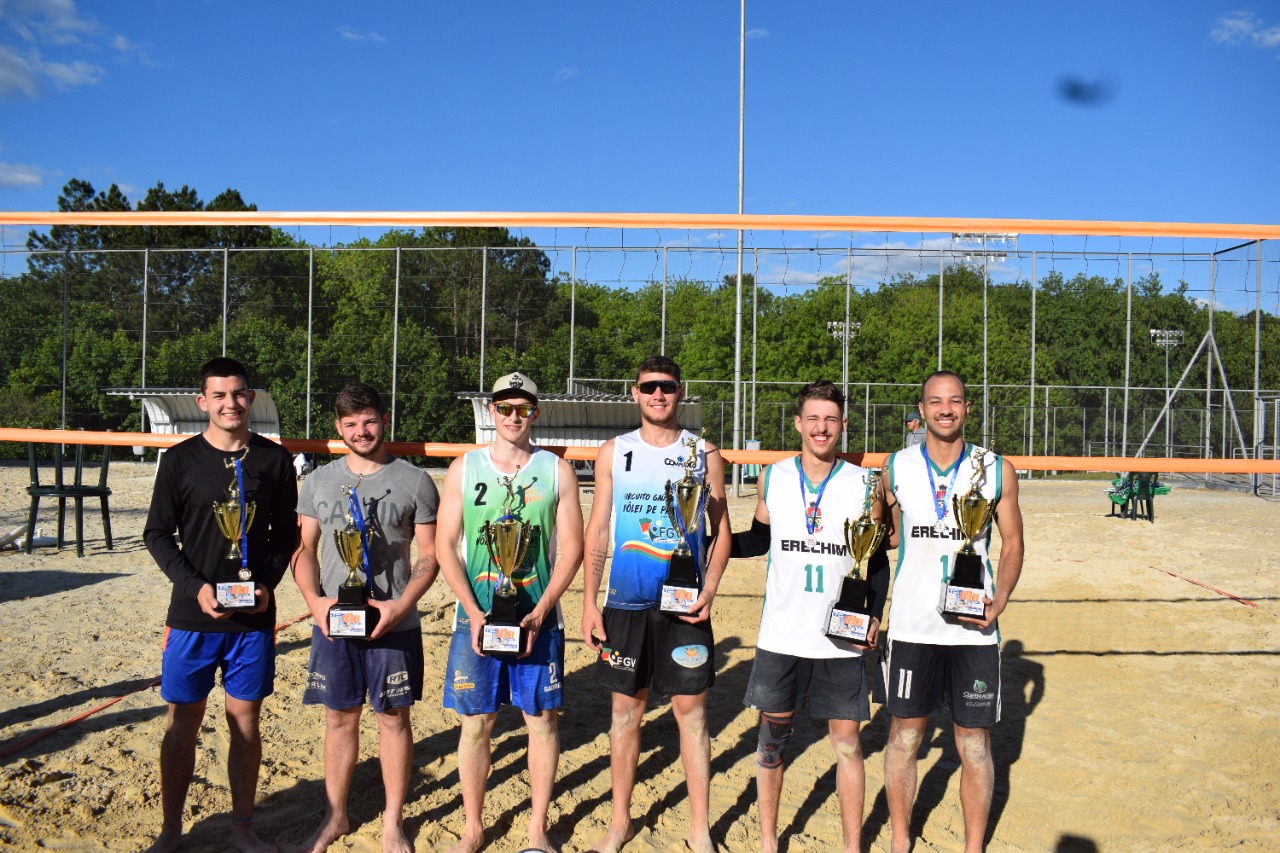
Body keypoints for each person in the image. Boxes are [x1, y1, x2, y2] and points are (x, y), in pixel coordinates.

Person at [143, 357, 298, 853]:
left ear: (251, 398)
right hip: (193, 617)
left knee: (245, 722)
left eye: (239, 394)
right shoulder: (179, 460)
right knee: (182, 722)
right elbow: (157, 534)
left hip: (253, 618)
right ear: (202, 401)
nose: (230, 403)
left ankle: (242, 826)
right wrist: (196, 587)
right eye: (220, 395)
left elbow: (285, 536)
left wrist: (269, 584)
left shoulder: (274, 461)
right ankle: (171, 829)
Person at [730, 380, 890, 853]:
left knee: (847, 745)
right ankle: (767, 841)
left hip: (838, 638)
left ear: (843, 425)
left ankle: (851, 847)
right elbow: (758, 540)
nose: (822, 428)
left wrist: (875, 615)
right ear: (798, 423)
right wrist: (701, 542)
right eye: (813, 419)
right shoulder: (775, 476)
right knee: (772, 743)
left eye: (831, 419)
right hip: (782, 635)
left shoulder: (864, 483)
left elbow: (876, 559)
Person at [581, 355, 732, 853]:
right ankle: (619, 822)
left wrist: (709, 590)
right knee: (625, 713)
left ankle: (698, 828)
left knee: (692, 713)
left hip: (684, 604)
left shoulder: (702, 452)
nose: (659, 395)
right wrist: (589, 601)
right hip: (625, 604)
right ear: (635, 392)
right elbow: (599, 527)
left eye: (667, 386)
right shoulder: (613, 451)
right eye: (649, 387)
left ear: (680, 391)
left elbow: (721, 530)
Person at [435, 371, 584, 853]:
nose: (513, 416)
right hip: (476, 619)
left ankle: (536, 828)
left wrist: (542, 610)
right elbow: (443, 546)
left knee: (540, 720)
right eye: (504, 408)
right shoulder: (465, 467)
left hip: (536, 619)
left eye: (523, 409)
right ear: (492, 412)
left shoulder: (556, 469)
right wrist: (474, 614)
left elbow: (574, 549)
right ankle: (473, 825)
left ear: (535, 414)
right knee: (477, 721)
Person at [292, 382, 440, 853]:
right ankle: (336, 815)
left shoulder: (415, 480)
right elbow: (303, 549)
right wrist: (315, 603)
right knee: (340, 719)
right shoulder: (318, 480)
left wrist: (402, 604)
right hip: (336, 621)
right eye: (351, 424)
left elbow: (429, 557)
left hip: (394, 623)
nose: (362, 430)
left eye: (369, 421)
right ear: (338, 428)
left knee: (393, 718)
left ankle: (393, 821)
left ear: (384, 420)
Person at [880, 370, 1025, 853]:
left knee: (976, 745)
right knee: (904, 738)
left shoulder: (995, 468)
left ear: (967, 408)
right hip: (912, 627)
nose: (946, 409)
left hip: (972, 631)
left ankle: (973, 847)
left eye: (955, 401)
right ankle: (901, 840)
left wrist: (999, 598)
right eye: (936, 402)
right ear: (920, 411)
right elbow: (889, 536)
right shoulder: (894, 468)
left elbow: (1013, 542)